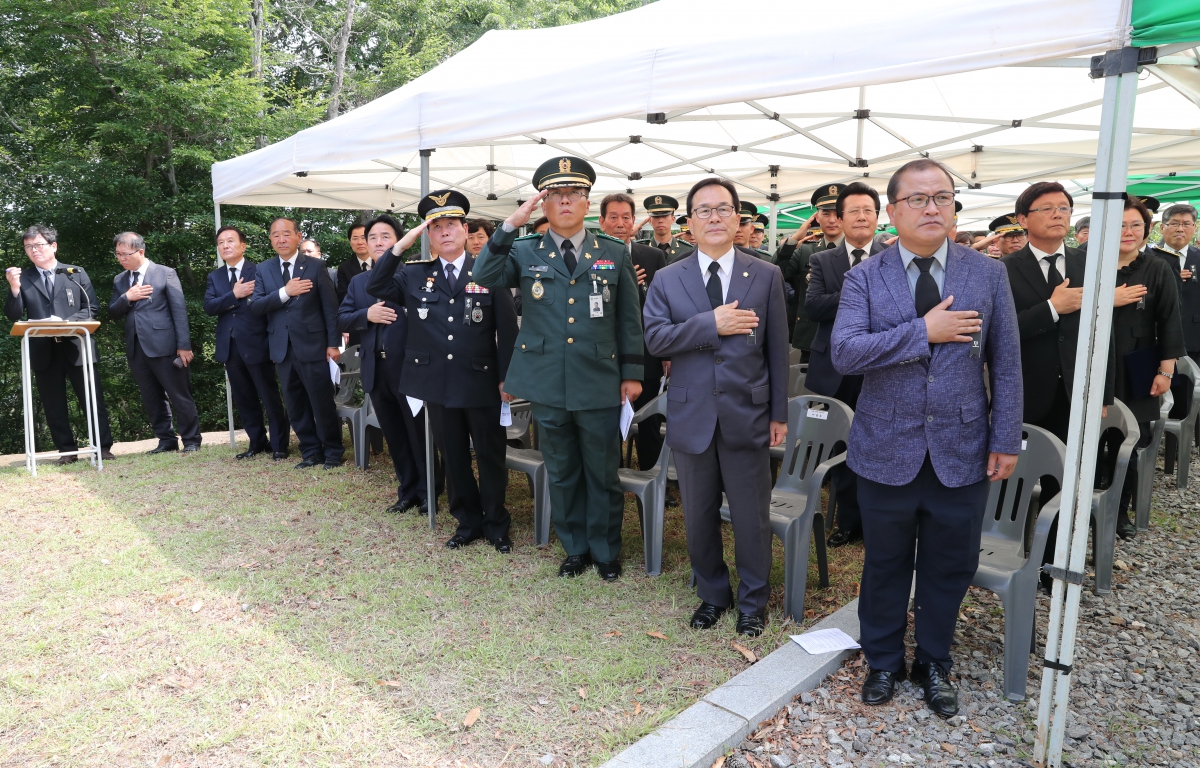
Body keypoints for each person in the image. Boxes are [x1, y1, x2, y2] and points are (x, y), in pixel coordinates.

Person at [831, 158, 1022, 718]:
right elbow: (845, 352)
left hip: (962, 448)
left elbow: (1006, 364)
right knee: (885, 562)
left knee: (949, 563)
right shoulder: (865, 276)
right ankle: (883, 659)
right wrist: (923, 331)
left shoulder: (987, 273)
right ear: (893, 211)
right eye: (917, 198)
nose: (932, 207)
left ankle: (935, 659)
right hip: (885, 447)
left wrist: (1005, 437)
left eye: (942, 196)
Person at [473, 156, 644, 580]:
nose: (565, 201)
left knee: (602, 472)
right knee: (563, 471)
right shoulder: (524, 250)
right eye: (556, 195)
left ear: (588, 203)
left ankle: (605, 550)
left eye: (574, 194)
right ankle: (575, 548)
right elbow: (483, 273)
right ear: (544, 205)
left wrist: (632, 373)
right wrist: (510, 225)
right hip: (547, 380)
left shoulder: (613, 251)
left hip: (599, 379)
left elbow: (628, 318)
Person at [644, 177, 788, 636]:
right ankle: (712, 594)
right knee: (698, 515)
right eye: (703, 210)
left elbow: (777, 350)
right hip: (691, 415)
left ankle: (753, 601)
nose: (714, 217)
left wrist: (779, 414)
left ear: (738, 217)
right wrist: (712, 323)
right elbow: (655, 339)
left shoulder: (765, 274)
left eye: (723, 209)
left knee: (751, 517)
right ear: (689, 222)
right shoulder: (669, 278)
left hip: (748, 413)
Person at [368, 192, 519, 551]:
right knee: (452, 456)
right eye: (436, 227)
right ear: (428, 235)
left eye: (452, 224)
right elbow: (376, 285)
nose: (445, 232)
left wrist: (507, 377)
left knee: (489, 454)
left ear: (466, 230)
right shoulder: (415, 275)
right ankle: (467, 522)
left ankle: (496, 523)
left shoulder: (488, 271)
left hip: (481, 380)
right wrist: (401, 245)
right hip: (436, 382)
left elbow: (507, 330)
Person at [1005, 182, 1115, 592]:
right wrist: (1053, 308)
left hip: (1076, 393)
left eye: (1064, 208)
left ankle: (1053, 564)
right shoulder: (1005, 269)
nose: (1058, 214)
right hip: (1025, 390)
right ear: (1023, 219)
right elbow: (1003, 332)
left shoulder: (1092, 263)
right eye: (1047, 208)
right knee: (1017, 474)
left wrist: (1103, 393)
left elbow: (1107, 334)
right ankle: (1009, 552)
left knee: (1065, 479)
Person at [805, 182, 887, 548]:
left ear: (878, 217)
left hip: (882, 366)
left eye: (868, 210)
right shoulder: (822, 260)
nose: (861, 217)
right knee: (842, 449)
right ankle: (847, 521)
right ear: (839, 218)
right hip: (836, 367)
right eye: (853, 211)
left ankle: (878, 523)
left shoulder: (895, 255)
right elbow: (815, 307)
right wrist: (861, 290)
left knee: (880, 447)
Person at [338, 213, 432, 515]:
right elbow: (341, 317)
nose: (378, 242)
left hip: (408, 368)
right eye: (373, 238)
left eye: (385, 237)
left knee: (418, 434)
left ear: (399, 241)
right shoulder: (357, 282)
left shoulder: (414, 274)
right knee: (394, 434)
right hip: (374, 369)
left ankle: (429, 490)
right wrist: (366, 315)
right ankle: (407, 491)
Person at [5, 225, 115, 463]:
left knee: (92, 399)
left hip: (77, 347)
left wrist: (64, 322)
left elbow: (91, 309)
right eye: (28, 247)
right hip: (43, 350)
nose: (34, 251)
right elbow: (13, 315)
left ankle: (103, 447)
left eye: (39, 245)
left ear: (53, 246)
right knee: (53, 404)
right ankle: (66, 450)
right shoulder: (24, 278)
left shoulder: (74, 273)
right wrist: (14, 288)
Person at [1110, 197, 1184, 540]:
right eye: (1121, 224)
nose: (1128, 232)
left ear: (1146, 229)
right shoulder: (1086, 264)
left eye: (1135, 225)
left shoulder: (1157, 267)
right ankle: (1087, 505)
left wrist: (1165, 371)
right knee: (1093, 440)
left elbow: (1170, 321)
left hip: (1138, 363)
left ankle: (1120, 510)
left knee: (1131, 440)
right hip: (1096, 363)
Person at [249, 217, 344, 469]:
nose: (281, 239)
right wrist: (285, 292)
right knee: (295, 404)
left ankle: (333, 451)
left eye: (286, 234)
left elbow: (330, 308)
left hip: (313, 344)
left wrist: (333, 343)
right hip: (281, 347)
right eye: (275, 235)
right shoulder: (263, 269)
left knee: (321, 400)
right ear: (270, 239)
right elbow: (256, 306)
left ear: (298, 236)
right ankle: (311, 451)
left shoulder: (315, 266)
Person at [108, 231, 202, 454]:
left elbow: (179, 311)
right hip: (136, 347)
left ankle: (191, 440)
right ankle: (166, 440)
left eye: (125, 254)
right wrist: (127, 298)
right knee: (151, 397)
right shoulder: (120, 280)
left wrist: (184, 345)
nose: (121, 258)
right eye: (118, 254)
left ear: (140, 251)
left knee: (179, 394)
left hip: (166, 345)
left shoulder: (165, 273)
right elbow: (113, 312)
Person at [203, 225, 290, 460]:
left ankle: (280, 445)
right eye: (221, 242)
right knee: (244, 398)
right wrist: (234, 294)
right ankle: (257, 442)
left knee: (269, 395)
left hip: (258, 343)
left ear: (243, 245)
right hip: (230, 347)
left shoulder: (260, 270)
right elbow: (210, 307)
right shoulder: (215, 276)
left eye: (230, 241)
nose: (225, 246)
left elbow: (268, 304)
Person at [599, 192, 668, 471]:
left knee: (649, 422)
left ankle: (652, 479)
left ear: (634, 222)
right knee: (607, 422)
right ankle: (612, 477)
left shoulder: (652, 256)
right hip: (605, 354)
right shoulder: (592, 256)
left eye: (626, 217)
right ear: (602, 222)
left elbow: (664, 306)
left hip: (646, 353)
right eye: (613, 217)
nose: (620, 223)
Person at [776, 184, 846, 355]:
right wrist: (795, 238)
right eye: (825, 213)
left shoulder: (858, 251)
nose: (832, 220)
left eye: (837, 213)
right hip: (813, 337)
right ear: (817, 218)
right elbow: (776, 272)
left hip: (849, 335)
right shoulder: (805, 250)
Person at [1152, 203, 1200, 360]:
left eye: (1186, 224)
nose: (1180, 229)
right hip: (1154, 338)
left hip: (1193, 338)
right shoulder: (1148, 257)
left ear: (1194, 228)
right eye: (1174, 223)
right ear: (1161, 228)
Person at [637, 194, 685, 262]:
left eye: (665, 216)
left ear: (673, 219)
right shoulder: (639, 249)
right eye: (656, 217)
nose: (660, 221)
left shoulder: (686, 249)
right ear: (650, 221)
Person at [335, 220, 372, 304]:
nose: (360, 242)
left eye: (363, 237)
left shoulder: (382, 263)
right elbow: (342, 296)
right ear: (350, 242)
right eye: (355, 238)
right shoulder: (344, 268)